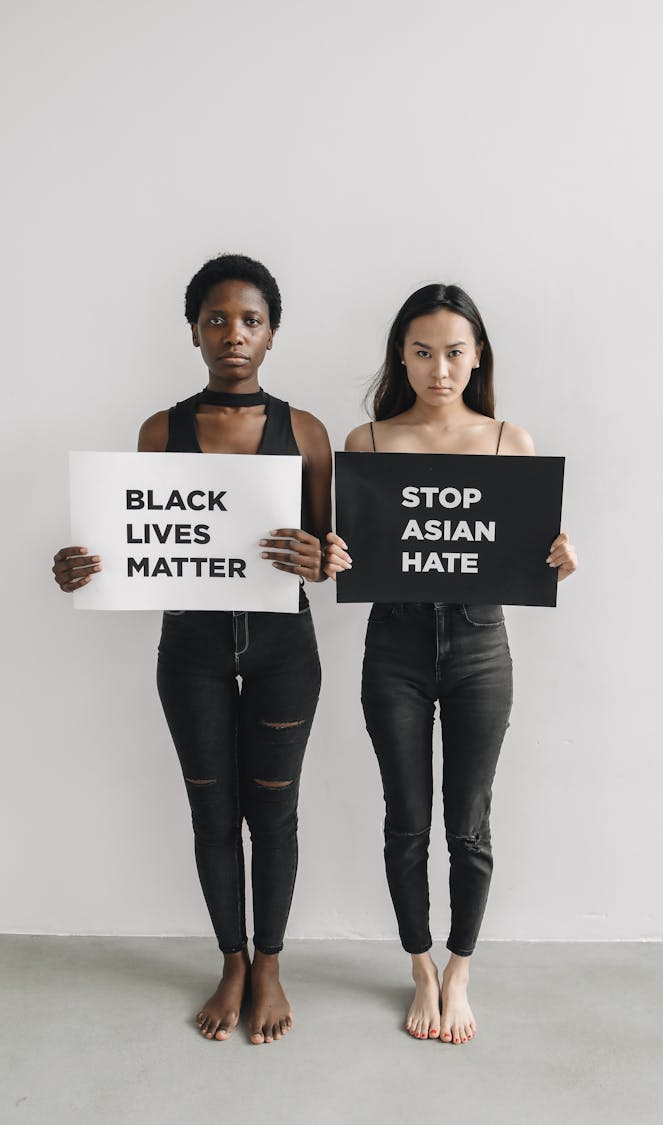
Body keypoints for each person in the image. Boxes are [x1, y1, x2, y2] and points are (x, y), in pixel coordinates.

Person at [52, 254, 332, 1045]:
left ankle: (270, 963)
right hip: (192, 649)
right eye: (216, 319)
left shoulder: (304, 431)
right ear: (194, 331)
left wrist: (319, 554)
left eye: (250, 320)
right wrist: (84, 565)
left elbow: (329, 547)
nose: (233, 334)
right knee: (213, 813)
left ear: (272, 334)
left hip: (284, 649)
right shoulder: (159, 430)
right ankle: (232, 960)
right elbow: (139, 542)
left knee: (273, 815)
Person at [325, 283, 577, 1045]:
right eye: (424, 351)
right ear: (402, 354)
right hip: (393, 647)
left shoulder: (509, 441)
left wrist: (559, 559)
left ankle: (460, 966)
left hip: (479, 647)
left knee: (467, 823)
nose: (440, 369)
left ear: (478, 357)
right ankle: (419, 964)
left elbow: (528, 552)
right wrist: (334, 553)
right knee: (407, 822)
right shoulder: (366, 443)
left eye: (455, 352)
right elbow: (352, 554)